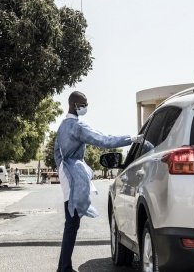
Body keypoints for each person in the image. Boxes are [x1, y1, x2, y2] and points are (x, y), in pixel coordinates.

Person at [54, 91, 143, 272]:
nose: (86, 107)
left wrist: (62, 169)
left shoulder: (64, 125)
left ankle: (64, 267)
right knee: (72, 222)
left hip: (66, 171)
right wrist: (130, 139)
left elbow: (57, 152)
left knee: (72, 221)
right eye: (83, 104)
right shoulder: (76, 126)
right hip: (71, 173)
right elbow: (103, 139)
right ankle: (64, 269)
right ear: (74, 105)